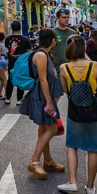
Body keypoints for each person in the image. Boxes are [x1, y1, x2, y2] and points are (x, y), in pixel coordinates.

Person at [57, 35, 97, 194]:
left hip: (75, 110)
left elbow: (66, 91)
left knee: (72, 145)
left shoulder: (64, 68)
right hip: (94, 110)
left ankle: (72, 182)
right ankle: (90, 186)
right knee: (92, 148)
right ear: (84, 48)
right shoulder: (94, 66)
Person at [19, 28, 65, 179]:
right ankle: (34, 161)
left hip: (44, 96)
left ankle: (48, 161)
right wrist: (49, 102)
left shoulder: (45, 54)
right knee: (51, 129)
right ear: (53, 40)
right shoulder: (40, 55)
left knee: (44, 128)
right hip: (42, 98)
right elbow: (43, 79)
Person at [50, 8, 77, 101]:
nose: (66, 19)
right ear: (57, 18)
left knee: (74, 96)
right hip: (56, 69)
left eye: (68, 17)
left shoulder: (72, 33)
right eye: (64, 17)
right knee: (56, 96)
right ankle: (54, 115)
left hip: (71, 69)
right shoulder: (53, 33)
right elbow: (48, 51)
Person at [4, 20, 33, 105]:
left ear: (11, 28)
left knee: (10, 79)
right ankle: (19, 99)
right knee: (21, 78)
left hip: (11, 61)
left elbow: (6, 51)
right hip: (21, 63)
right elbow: (29, 51)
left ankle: (8, 98)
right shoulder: (25, 39)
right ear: (20, 28)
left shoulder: (8, 39)